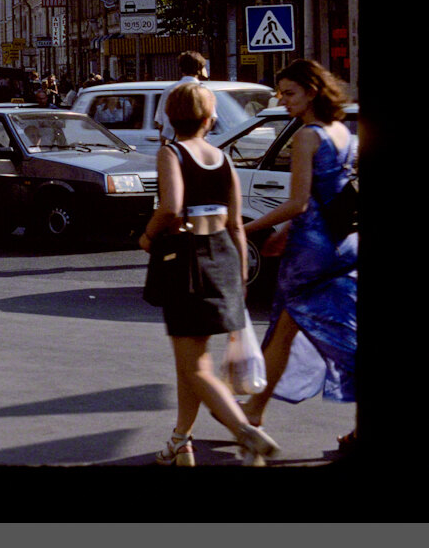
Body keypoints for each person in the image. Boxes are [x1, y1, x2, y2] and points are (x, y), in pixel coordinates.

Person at [140, 82, 279, 466]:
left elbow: (171, 207)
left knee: (195, 365)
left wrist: (147, 235)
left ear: (170, 117)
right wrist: (241, 275)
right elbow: (236, 225)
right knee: (191, 359)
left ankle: (245, 433)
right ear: (210, 118)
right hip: (221, 258)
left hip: (187, 261)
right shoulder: (223, 158)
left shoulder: (171, 154)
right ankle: (181, 440)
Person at [240, 59, 357, 453]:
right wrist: (285, 232)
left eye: (290, 93)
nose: (282, 100)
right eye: (280, 93)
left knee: (305, 333)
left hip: (311, 254)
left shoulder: (307, 136)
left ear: (312, 91)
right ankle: (254, 410)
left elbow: (297, 202)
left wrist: (247, 228)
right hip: (342, 245)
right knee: (296, 329)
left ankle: (254, 411)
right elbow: (328, 197)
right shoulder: (342, 131)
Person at [153, 51, 209, 144]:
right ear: (200, 69)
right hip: (198, 144)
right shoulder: (204, 91)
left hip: (174, 143)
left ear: (181, 68)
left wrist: (164, 147)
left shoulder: (169, 90)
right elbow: (211, 118)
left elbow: (160, 122)